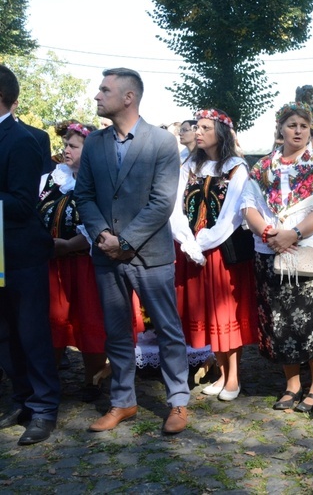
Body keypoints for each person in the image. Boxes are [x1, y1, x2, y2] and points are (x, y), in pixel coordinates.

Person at [75, 68, 190, 434]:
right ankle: (123, 402)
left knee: (168, 330)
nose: (97, 96)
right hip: (106, 255)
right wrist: (103, 236)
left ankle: (178, 402)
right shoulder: (94, 142)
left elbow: (161, 202)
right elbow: (84, 196)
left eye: (104, 90)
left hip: (150, 255)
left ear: (129, 97)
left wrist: (124, 242)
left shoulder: (160, 142)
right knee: (117, 333)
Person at [241, 102, 313, 414]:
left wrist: (292, 234)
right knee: (279, 321)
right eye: (291, 125)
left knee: (311, 320)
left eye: (303, 126)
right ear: (280, 129)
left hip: (306, 250)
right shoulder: (262, 169)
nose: (298, 131)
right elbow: (248, 206)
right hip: (269, 251)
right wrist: (269, 232)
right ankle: (292, 384)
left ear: (310, 131)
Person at [170, 108, 259, 402]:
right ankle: (221, 373)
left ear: (219, 133)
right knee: (209, 314)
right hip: (192, 251)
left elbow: (232, 215)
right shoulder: (189, 166)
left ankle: (234, 377)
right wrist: (185, 238)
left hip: (222, 252)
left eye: (205, 127)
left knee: (225, 313)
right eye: (197, 127)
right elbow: (176, 207)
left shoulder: (236, 168)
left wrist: (204, 242)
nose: (198, 131)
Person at [0, 64, 59, 445]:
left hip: (20, 252)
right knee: (4, 334)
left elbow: (22, 203)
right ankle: (21, 398)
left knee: (31, 332)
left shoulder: (20, 140)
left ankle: (44, 408)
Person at [37, 121, 109, 402]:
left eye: (73, 146)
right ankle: (46, 379)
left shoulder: (99, 182)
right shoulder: (51, 179)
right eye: (65, 144)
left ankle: (93, 380)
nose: (65, 150)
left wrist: (69, 245)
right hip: (52, 264)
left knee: (89, 320)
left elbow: (99, 224)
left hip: (86, 265)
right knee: (51, 321)